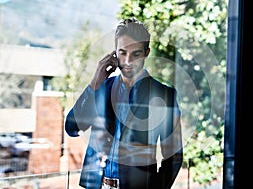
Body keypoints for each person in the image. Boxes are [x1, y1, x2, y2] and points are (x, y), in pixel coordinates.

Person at [65, 17, 183, 189]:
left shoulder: (164, 95)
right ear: (114, 52)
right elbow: (72, 127)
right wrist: (94, 84)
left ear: (146, 53)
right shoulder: (102, 88)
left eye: (136, 54)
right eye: (123, 53)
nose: (128, 61)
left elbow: (174, 157)